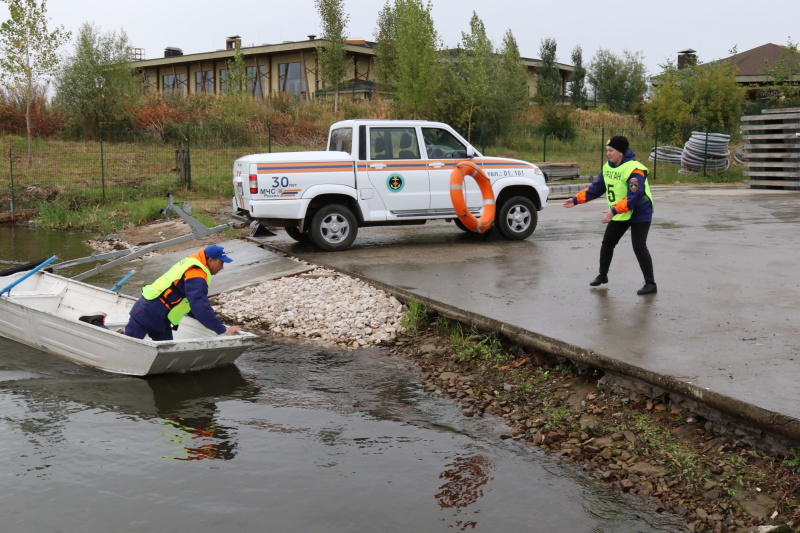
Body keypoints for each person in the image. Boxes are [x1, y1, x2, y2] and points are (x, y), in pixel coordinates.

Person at [563, 136, 657, 295]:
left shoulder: (635, 169)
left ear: (621, 152)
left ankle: (650, 284)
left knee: (639, 246)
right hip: (620, 211)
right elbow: (596, 188)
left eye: (611, 151)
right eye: (607, 151)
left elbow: (635, 196)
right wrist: (575, 200)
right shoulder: (608, 167)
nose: (608, 154)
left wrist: (613, 211)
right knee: (607, 243)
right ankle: (603, 275)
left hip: (640, 211)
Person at [124, 244, 243, 340]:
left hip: (160, 316)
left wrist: (214, 323)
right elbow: (200, 306)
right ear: (210, 260)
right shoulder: (196, 274)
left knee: (166, 353)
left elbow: (191, 305)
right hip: (146, 313)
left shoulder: (192, 262)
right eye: (221, 263)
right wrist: (223, 330)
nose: (222, 267)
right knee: (128, 346)